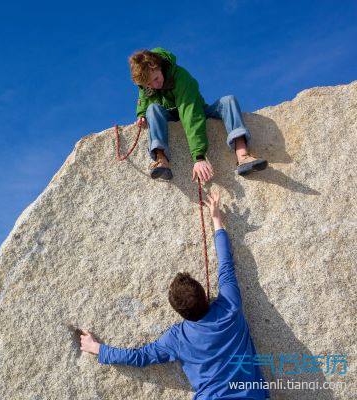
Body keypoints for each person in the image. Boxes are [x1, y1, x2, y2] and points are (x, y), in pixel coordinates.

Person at [79, 191, 269, 399]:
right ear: (205, 296)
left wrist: (97, 348)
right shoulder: (229, 306)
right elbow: (225, 264)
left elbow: (140, 357)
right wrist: (216, 218)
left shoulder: (177, 338)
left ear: (180, 312)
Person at [129, 47, 267, 181]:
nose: (155, 85)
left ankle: (243, 155)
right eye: (149, 84)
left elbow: (191, 115)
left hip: (196, 109)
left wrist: (199, 157)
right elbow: (144, 96)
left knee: (228, 100)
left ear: (158, 66)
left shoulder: (181, 77)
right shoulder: (147, 83)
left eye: (156, 79)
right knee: (152, 109)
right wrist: (141, 114)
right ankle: (161, 160)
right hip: (170, 114)